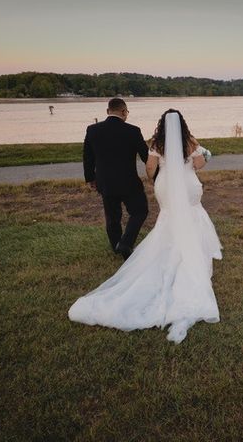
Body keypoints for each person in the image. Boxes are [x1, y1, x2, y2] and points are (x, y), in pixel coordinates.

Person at [69, 109, 222, 344]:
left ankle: (167, 249)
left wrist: (158, 179)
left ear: (162, 124)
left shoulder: (156, 143)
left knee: (169, 217)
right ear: (182, 123)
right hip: (188, 186)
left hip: (166, 187)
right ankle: (192, 251)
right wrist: (193, 162)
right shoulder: (190, 140)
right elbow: (200, 163)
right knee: (192, 213)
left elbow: (150, 168)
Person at [83, 98, 149, 259]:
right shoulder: (133, 131)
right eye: (126, 112)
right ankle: (125, 243)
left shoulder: (93, 130)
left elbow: (88, 157)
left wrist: (91, 178)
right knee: (140, 211)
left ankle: (116, 246)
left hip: (105, 182)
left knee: (112, 217)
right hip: (129, 182)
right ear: (124, 112)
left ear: (108, 111)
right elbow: (145, 156)